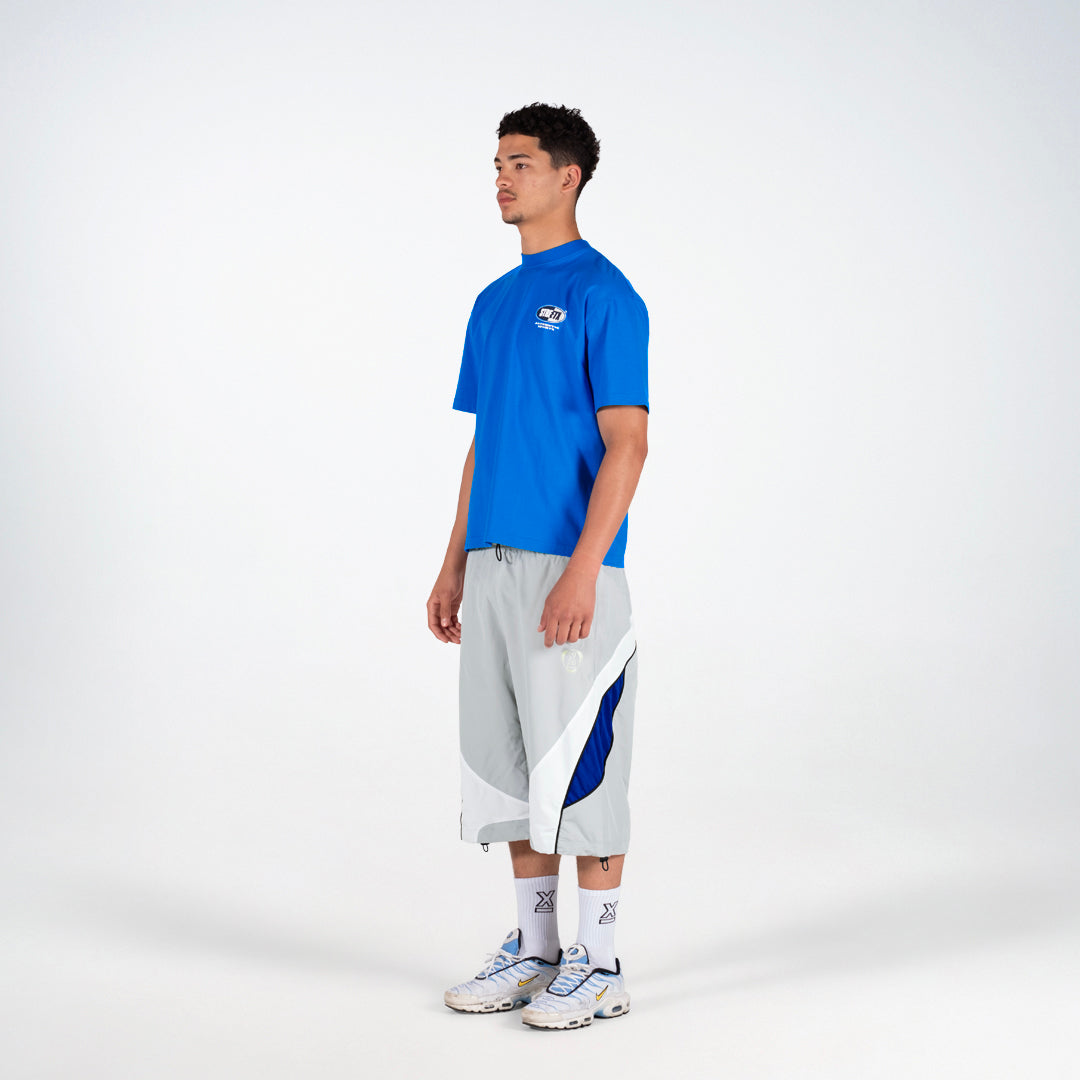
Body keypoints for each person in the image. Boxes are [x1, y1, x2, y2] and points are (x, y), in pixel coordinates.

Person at [426, 103, 649, 1031]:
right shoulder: (492, 302)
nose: (502, 178)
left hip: (569, 569)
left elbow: (628, 443)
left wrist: (585, 570)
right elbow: (486, 442)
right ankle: (539, 948)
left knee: (583, 767)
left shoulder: (605, 292)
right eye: (497, 164)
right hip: (494, 564)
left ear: (569, 175)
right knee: (510, 766)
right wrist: (453, 564)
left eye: (519, 162)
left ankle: (601, 963)